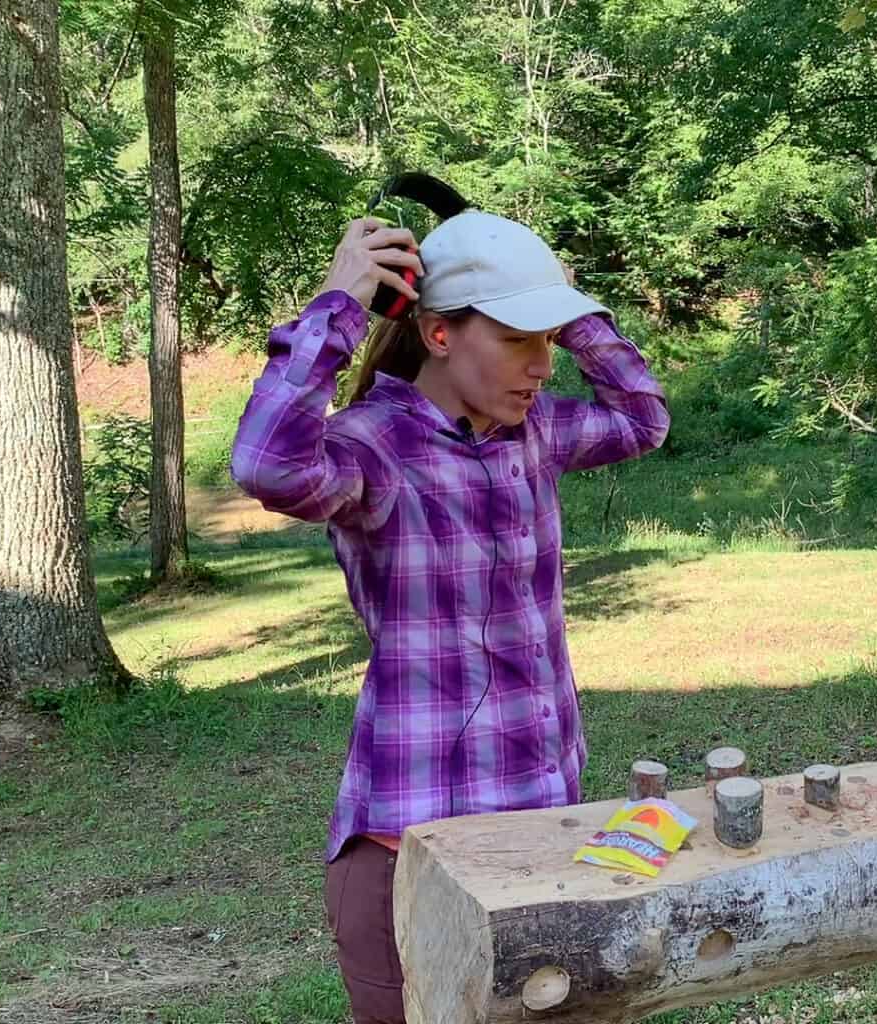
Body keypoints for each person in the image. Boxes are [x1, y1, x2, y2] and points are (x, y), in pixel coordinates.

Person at [230, 207, 670, 1023]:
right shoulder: (375, 446)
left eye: (549, 340)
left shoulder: (533, 434)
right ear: (438, 334)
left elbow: (645, 417)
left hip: (542, 833)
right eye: (518, 339)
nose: (543, 365)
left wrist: (570, 314)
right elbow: (267, 463)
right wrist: (340, 304)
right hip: (414, 856)